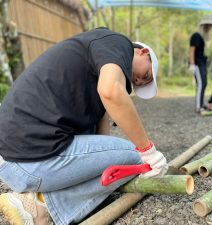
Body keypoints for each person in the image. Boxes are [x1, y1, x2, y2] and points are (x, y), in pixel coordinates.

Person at [0, 27, 168, 225]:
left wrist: (104, 159)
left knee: (115, 155)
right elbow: (110, 92)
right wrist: (148, 152)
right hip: (28, 161)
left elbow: (100, 132)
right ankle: (40, 205)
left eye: (140, 83)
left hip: (11, 159)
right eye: (145, 75)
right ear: (143, 52)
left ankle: (39, 201)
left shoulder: (91, 59)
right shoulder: (118, 43)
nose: (138, 81)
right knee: (135, 158)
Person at [188, 15, 212, 113]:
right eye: (208, 26)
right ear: (204, 25)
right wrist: (192, 64)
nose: (209, 28)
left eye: (210, 26)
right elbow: (191, 50)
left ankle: (201, 104)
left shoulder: (201, 37)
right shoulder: (196, 36)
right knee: (200, 84)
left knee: (204, 83)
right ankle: (198, 107)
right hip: (197, 64)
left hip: (201, 63)